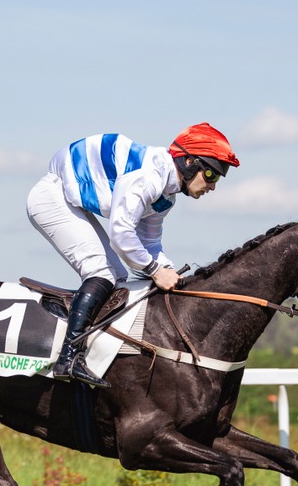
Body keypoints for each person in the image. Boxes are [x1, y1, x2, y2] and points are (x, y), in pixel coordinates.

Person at [27, 122, 239, 389]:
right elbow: (121, 233)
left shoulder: (166, 197)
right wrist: (154, 270)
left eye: (218, 178)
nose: (212, 186)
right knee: (102, 273)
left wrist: (170, 273)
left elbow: (148, 243)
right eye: (211, 175)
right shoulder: (150, 176)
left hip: (71, 200)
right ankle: (68, 356)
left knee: (118, 276)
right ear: (188, 162)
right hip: (52, 197)